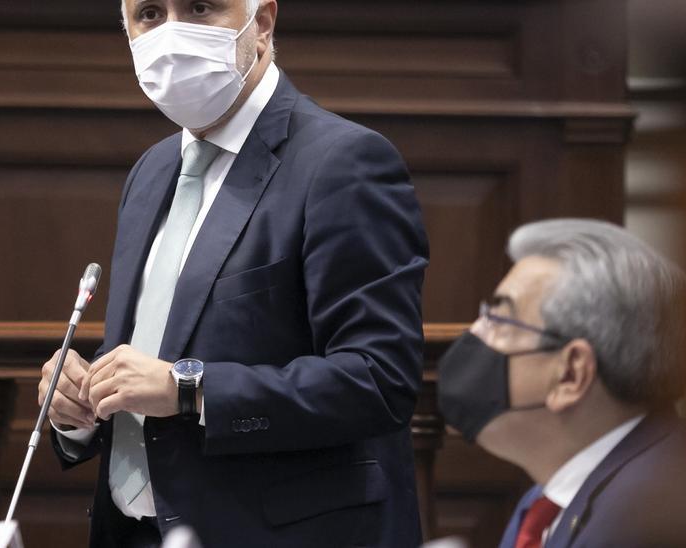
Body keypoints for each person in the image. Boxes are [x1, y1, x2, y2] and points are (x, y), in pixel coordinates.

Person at [37, 0, 429, 546]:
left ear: (261, 23)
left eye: (200, 7)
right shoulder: (151, 171)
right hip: (132, 531)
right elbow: (147, 363)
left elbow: (377, 380)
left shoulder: (343, 161)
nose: (172, 32)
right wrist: (78, 407)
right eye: (149, 13)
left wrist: (189, 389)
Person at [436, 218, 686, 548]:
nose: (475, 333)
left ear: (570, 374)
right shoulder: (547, 500)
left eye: (499, 319)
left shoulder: (652, 518)